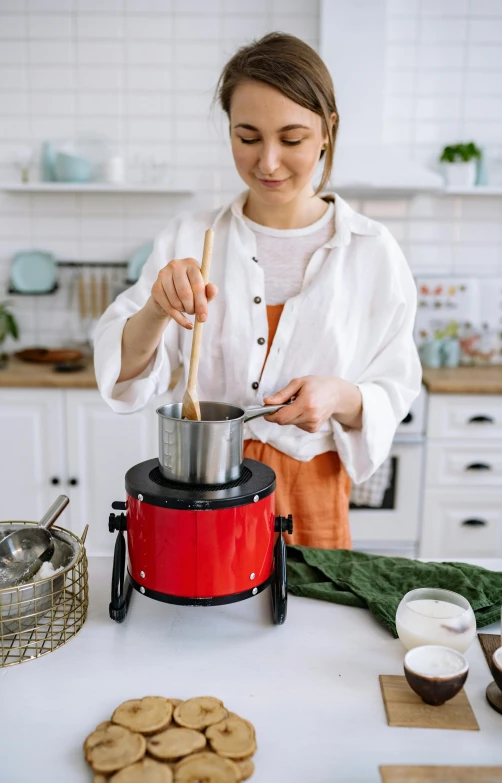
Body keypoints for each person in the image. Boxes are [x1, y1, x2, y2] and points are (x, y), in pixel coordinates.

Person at [94, 33, 421, 550]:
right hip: (203, 489)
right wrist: (157, 309)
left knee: (312, 626)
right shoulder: (189, 238)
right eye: (247, 138)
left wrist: (339, 395)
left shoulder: (372, 251)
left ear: (327, 132)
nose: (268, 162)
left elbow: (396, 388)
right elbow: (126, 373)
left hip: (312, 495)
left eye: (291, 140)